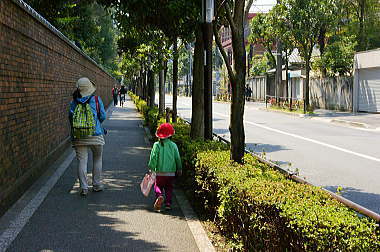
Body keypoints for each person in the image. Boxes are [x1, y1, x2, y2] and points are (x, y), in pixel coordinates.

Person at [69, 77, 107, 196]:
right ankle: (96, 185)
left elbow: (71, 118)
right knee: (97, 159)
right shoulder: (96, 99)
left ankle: (84, 188)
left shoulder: (74, 102)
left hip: (79, 136)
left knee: (82, 162)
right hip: (96, 135)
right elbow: (103, 116)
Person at [148, 123, 182, 211]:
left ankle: (159, 196)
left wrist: (151, 168)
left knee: (157, 186)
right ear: (170, 135)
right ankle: (168, 203)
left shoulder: (156, 145)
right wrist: (179, 168)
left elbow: (153, 157)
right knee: (169, 188)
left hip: (159, 172)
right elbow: (177, 158)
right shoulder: (173, 145)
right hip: (171, 172)